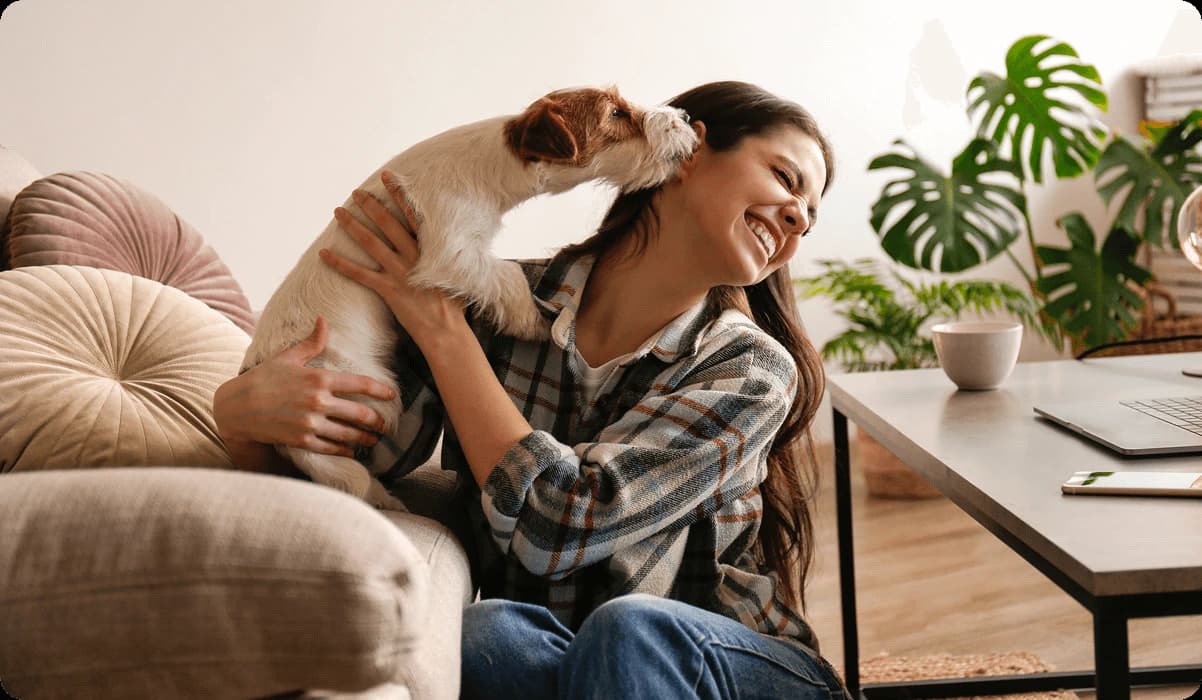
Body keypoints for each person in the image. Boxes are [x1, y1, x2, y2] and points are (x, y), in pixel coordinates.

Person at [213, 80, 845, 698]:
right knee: (484, 635)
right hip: (573, 658)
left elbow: (562, 526)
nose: (796, 218)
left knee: (629, 631)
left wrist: (444, 332)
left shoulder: (752, 369)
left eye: (809, 218)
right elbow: (360, 458)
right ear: (689, 148)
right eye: (786, 180)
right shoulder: (495, 306)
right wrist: (242, 416)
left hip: (736, 665)